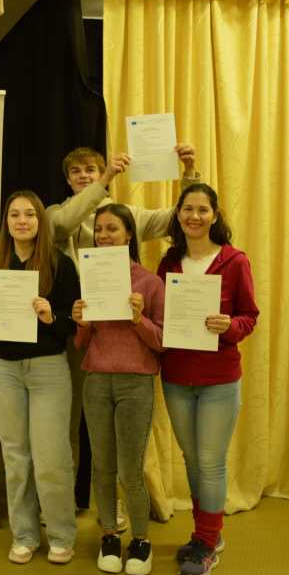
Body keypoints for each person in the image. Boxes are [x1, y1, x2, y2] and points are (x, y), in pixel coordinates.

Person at [47, 145, 198, 519]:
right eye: (77, 171)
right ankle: (68, 503)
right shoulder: (56, 214)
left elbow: (175, 220)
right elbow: (63, 226)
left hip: (127, 339)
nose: (85, 176)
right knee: (71, 422)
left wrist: (189, 172)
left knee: (124, 429)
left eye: (92, 169)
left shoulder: (127, 214)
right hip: (81, 332)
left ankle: (128, 500)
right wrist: (105, 180)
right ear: (67, 179)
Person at [0, 190, 80, 565]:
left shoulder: (60, 265)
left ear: (40, 221)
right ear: (6, 222)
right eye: (15, 214)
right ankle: (25, 534)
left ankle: (61, 534)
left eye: (30, 214)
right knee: (16, 457)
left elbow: (74, 322)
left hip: (48, 369)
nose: (22, 221)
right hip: (4, 370)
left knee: (51, 457)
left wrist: (53, 317)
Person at [156, 183, 258, 575]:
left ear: (215, 215)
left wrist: (229, 326)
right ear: (178, 215)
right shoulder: (169, 261)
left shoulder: (234, 261)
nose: (194, 216)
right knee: (192, 459)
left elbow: (249, 316)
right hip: (177, 377)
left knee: (211, 462)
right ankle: (207, 535)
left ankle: (206, 543)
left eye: (202, 209)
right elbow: (160, 315)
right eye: (187, 209)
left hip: (218, 380)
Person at [71, 204, 164, 575]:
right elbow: (81, 343)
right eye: (99, 230)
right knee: (102, 466)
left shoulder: (149, 282)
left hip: (135, 383)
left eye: (112, 229)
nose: (104, 235)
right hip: (96, 380)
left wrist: (139, 319)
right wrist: (82, 322)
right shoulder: (89, 278)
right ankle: (109, 534)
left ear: (128, 235)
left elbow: (163, 341)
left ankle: (140, 540)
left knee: (130, 469)